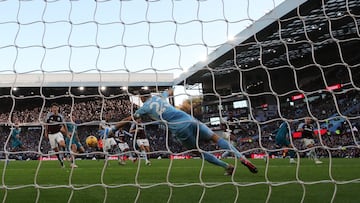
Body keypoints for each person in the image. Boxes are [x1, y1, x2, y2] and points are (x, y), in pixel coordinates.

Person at [106, 89, 258, 175]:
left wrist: (112, 128)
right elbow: (170, 91)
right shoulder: (160, 98)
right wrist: (165, 92)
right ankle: (241, 157)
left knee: (198, 152)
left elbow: (128, 119)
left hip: (179, 129)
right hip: (190, 119)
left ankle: (227, 167)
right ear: (151, 95)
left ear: (141, 98)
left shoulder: (144, 108)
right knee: (216, 138)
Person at [45, 103, 68, 168]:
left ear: (58, 108)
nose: (55, 109)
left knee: (62, 144)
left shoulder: (60, 116)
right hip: (51, 134)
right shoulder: (48, 116)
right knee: (56, 150)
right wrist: (45, 132)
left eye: (56, 107)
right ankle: (61, 162)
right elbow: (46, 125)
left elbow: (64, 125)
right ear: (51, 109)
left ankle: (65, 154)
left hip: (58, 133)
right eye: (53, 108)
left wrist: (67, 133)